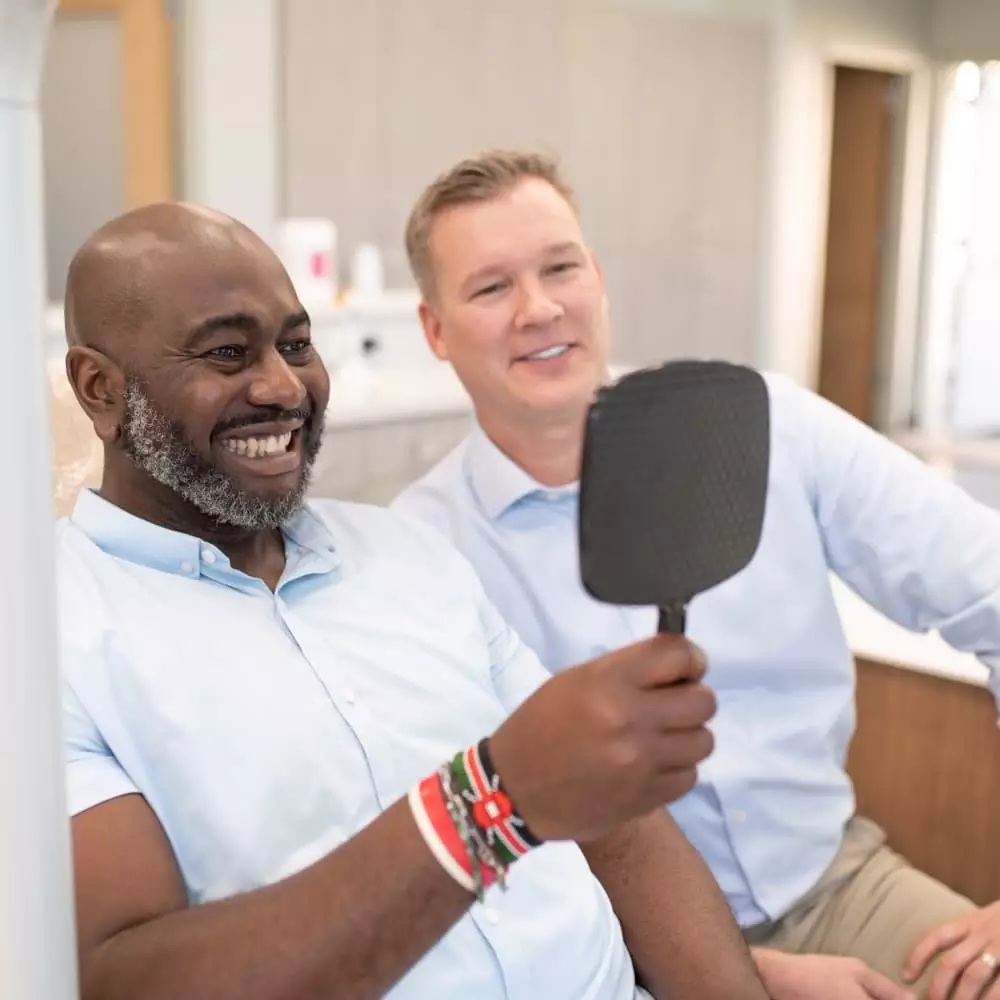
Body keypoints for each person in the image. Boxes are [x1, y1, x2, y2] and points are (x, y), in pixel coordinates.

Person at [56, 202, 769, 1000]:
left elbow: (620, 834)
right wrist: (487, 803)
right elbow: (125, 979)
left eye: (297, 344)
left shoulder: (412, 557)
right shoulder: (48, 641)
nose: (284, 384)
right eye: (228, 352)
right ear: (101, 389)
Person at [392, 150, 1000, 1000]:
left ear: (597, 277)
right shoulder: (420, 554)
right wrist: (743, 974)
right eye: (490, 288)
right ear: (434, 329)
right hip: (604, 947)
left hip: (839, 883)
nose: (538, 308)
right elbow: (466, 852)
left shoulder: (767, 427)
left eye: (560, 267)